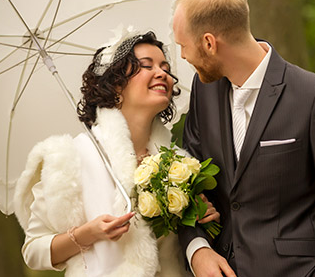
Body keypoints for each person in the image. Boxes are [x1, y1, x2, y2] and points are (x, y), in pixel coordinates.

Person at [173, 0, 315, 277]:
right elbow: (188, 183)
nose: (183, 57)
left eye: (183, 46)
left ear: (209, 43)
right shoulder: (204, 92)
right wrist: (198, 249)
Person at [14, 27, 218, 276]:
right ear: (116, 84)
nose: (162, 74)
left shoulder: (179, 162)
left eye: (165, 68)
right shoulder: (69, 157)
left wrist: (202, 216)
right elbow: (33, 250)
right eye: (147, 65)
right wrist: (88, 233)